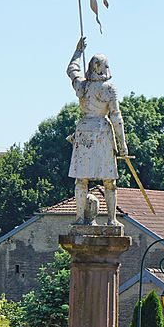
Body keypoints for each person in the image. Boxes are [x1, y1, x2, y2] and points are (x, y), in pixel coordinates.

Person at [67, 36, 128, 224]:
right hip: (102, 132)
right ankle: (111, 220)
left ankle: (80, 218)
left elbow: (71, 70)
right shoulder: (109, 89)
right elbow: (116, 117)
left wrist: (78, 51)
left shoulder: (82, 86)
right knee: (109, 181)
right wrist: (122, 144)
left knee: (81, 180)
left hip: (84, 130)